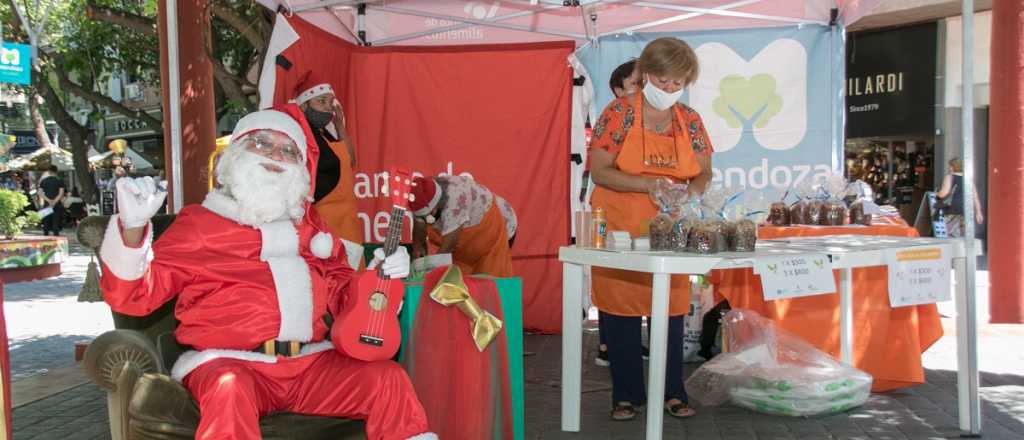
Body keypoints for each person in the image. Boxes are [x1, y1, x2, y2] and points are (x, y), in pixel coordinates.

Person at [99, 106, 436, 440]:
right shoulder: (199, 224)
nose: (277, 154)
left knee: (387, 378)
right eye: (262, 143)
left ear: (300, 170)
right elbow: (134, 297)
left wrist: (380, 277)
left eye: (289, 150)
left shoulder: (312, 228)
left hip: (310, 364)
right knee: (230, 389)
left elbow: (344, 294)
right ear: (235, 156)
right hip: (230, 362)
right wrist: (132, 228)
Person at [589, 37, 713, 421]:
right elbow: (600, 170)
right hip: (621, 220)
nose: (671, 90)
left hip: (667, 226)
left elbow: (705, 171)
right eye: (664, 82)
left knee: (671, 310)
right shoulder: (619, 114)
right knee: (621, 310)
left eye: (678, 83)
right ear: (646, 75)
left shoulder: (689, 120)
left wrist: (688, 193)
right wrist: (649, 184)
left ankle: (671, 391)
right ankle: (625, 394)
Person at [595, 58, 649, 369]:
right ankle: (608, 344)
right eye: (635, 84)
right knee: (614, 278)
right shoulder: (614, 116)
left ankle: (631, 345)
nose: (643, 91)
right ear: (618, 90)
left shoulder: (662, 118)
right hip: (614, 210)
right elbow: (604, 171)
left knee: (643, 281)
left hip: (644, 214)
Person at [293, 74, 365, 269]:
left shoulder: (325, 133)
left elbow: (350, 160)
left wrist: (340, 125)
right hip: (326, 224)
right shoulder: (302, 136)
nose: (328, 107)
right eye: (321, 101)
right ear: (304, 106)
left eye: (331, 101)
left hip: (347, 221)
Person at [408, 175, 516, 278]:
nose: (427, 219)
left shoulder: (455, 199)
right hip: (468, 246)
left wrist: (427, 274)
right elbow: (419, 235)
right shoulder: (419, 198)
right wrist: (417, 258)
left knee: (489, 284)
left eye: (429, 214)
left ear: (436, 206)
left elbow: (448, 247)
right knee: (461, 287)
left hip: (496, 229)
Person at [936, 157, 984, 237]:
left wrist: (937, 194)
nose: (949, 168)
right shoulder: (968, 179)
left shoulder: (949, 177)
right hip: (966, 209)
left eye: (951, 166)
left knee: (949, 234)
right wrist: (978, 212)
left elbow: (944, 192)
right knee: (963, 234)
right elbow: (975, 196)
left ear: (954, 167)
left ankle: (952, 248)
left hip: (952, 208)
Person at [38, 165, 66, 236]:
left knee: (46, 222)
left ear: (49, 171)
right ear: (56, 171)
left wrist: (49, 200)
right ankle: (56, 239)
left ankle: (45, 238)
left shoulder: (43, 181)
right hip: (57, 204)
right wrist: (54, 201)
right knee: (56, 222)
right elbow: (61, 193)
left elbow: (40, 193)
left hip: (46, 204)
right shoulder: (59, 181)